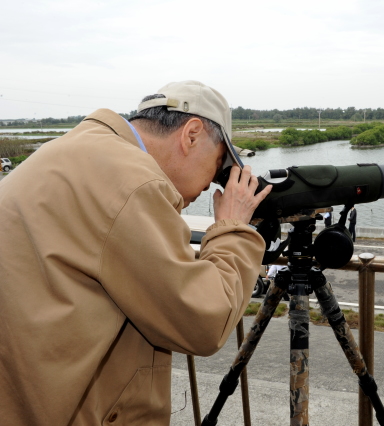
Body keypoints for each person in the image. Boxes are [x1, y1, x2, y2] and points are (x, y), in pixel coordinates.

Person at [0, 80, 272, 425]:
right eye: (218, 164)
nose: (211, 184)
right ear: (191, 134)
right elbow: (204, 321)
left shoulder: (75, 151)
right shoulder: (134, 182)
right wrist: (233, 227)